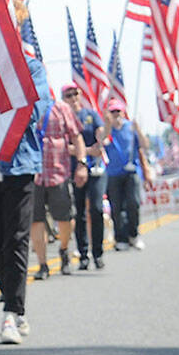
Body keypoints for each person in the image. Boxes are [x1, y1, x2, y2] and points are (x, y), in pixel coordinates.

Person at [0, 42, 47, 346]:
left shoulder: (32, 68)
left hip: (19, 164)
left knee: (15, 238)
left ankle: (10, 313)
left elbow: (36, 109)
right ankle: (14, 301)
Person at [29, 85, 86, 278]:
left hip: (58, 173)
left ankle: (64, 249)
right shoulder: (25, 108)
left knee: (64, 218)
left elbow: (76, 138)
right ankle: (43, 264)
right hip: (33, 175)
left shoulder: (61, 108)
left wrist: (81, 164)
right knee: (35, 220)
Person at [64, 86, 108, 270]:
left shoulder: (91, 115)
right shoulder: (63, 119)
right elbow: (65, 147)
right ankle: (83, 254)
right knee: (79, 212)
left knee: (97, 209)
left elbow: (102, 137)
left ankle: (97, 252)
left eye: (76, 94)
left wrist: (107, 126)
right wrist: (87, 151)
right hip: (74, 171)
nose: (73, 98)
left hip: (96, 169)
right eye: (69, 95)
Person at [103, 99, 153, 251]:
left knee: (133, 203)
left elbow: (144, 145)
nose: (116, 114)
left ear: (123, 112)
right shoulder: (107, 129)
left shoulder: (130, 128)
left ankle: (134, 234)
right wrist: (107, 126)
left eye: (118, 111)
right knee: (116, 207)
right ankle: (121, 238)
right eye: (113, 111)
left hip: (131, 171)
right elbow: (102, 142)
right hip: (113, 173)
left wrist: (138, 130)